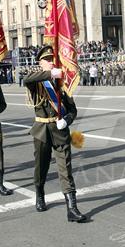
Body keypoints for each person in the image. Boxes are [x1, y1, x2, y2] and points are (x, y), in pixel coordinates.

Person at [23, 45, 88, 221]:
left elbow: (72, 110)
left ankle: (72, 208)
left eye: (52, 59)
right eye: (47, 60)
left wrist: (66, 120)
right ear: (40, 63)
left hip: (60, 131)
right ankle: (40, 194)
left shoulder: (62, 83)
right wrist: (50, 74)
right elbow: (26, 79)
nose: (51, 62)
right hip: (42, 131)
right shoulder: (37, 81)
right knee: (41, 167)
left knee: (66, 169)